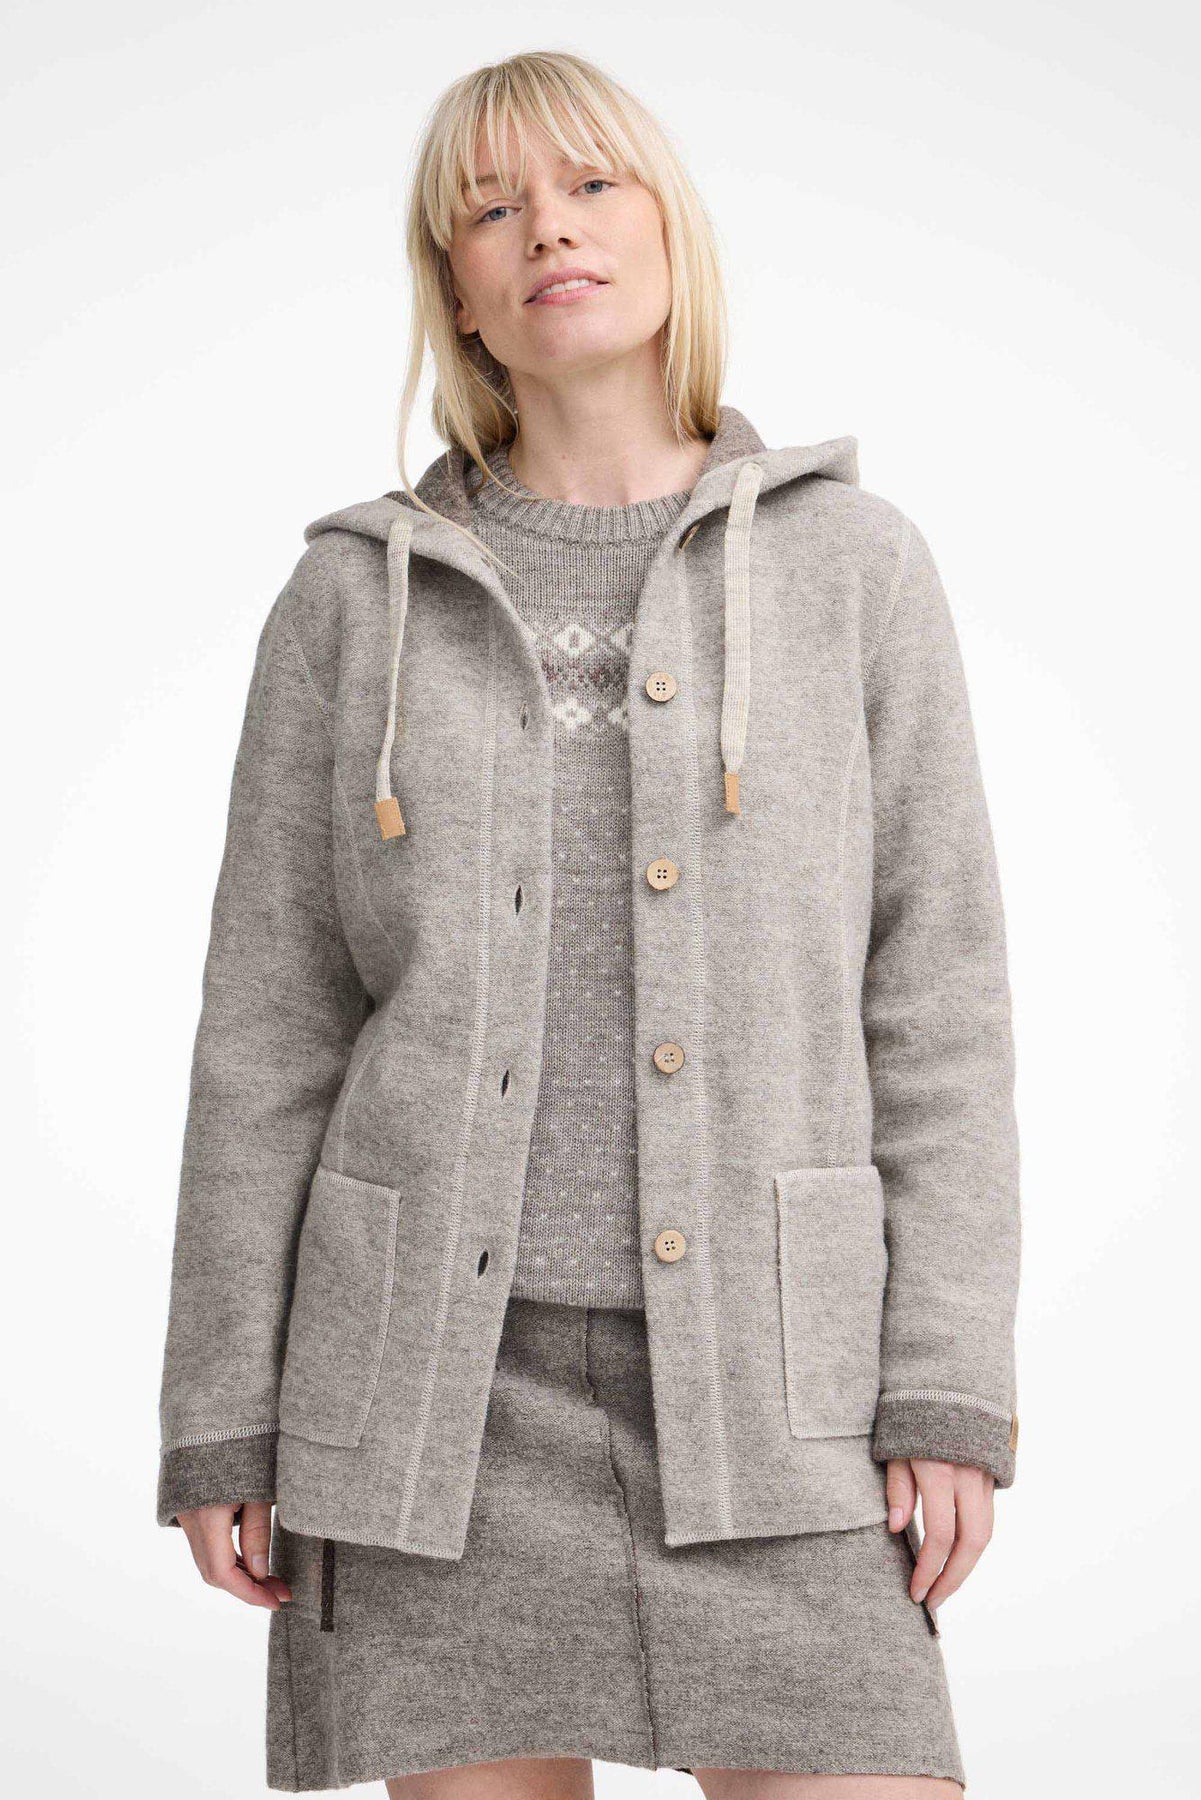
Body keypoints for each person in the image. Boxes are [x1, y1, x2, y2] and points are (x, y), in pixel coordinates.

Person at [155, 48, 1021, 1800]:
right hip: (431, 1404)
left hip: (776, 1392)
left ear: (667, 233)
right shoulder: (349, 601)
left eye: (590, 185)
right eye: (490, 210)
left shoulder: (852, 568)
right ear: (460, 296)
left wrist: (942, 1385)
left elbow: (934, 998)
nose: (547, 228)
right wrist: (223, 1413)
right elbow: (269, 1028)